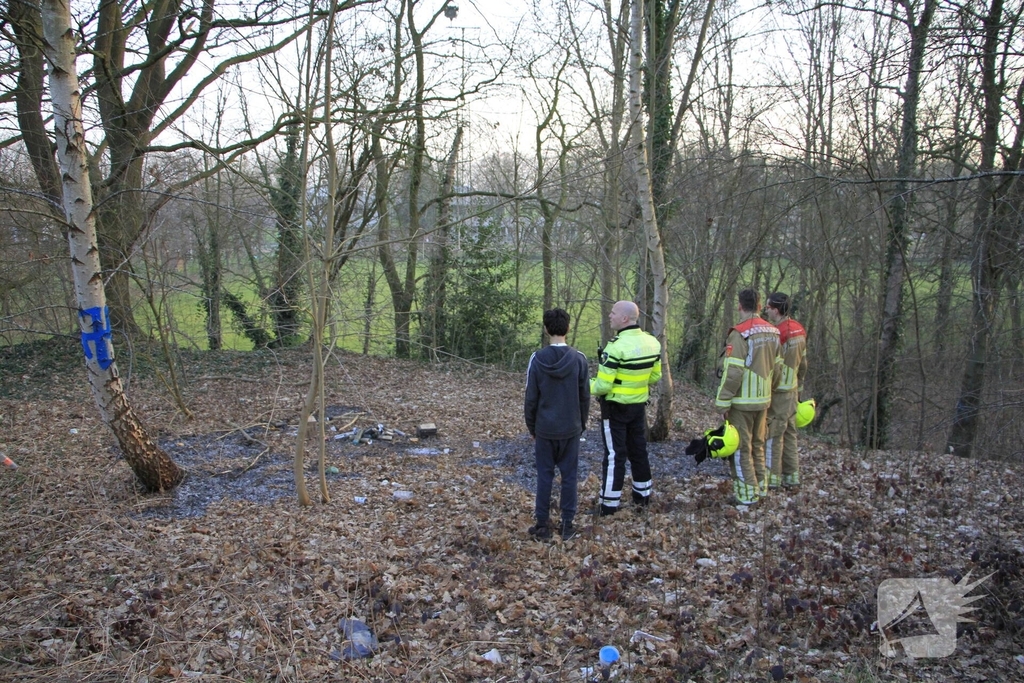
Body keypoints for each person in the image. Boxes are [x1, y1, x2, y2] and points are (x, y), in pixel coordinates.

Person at [524, 308, 590, 541]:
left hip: (545, 429)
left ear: (546, 329)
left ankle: (542, 524)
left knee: (544, 475)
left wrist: (532, 427)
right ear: (568, 328)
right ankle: (567, 524)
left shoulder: (537, 359)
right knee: (569, 476)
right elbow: (585, 396)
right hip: (570, 428)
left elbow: (531, 397)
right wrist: (581, 424)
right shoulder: (579, 359)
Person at [591, 301, 662, 516]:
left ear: (624, 318)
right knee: (638, 450)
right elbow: (655, 376)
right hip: (638, 407)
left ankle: (608, 505)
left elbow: (602, 386)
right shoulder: (652, 343)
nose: (609, 316)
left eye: (613, 313)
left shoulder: (615, 347)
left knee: (615, 455)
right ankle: (643, 496)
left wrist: (585, 384)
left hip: (615, 409)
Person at [715, 289, 780, 505]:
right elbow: (778, 369)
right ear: (760, 307)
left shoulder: (740, 333)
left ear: (740, 306)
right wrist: (770, 391)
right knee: (758, 446)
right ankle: (761, 489)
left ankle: (746, 496)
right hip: (763, 400)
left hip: (742, 401)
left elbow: (733, 372)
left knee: (741, 449)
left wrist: (723, 402)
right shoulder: (773, 331)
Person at [764, 292, 808, 489]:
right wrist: (800, 387)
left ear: (776, 310)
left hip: (779, 392)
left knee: (773, 434)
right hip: (792, 390)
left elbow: (774, 366)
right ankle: (792, 476)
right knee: (790, 434)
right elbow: (803, 364)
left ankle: (772, 478)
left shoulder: (778, 334)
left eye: (768, 308)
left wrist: (769, 389)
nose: (766, 311)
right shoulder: (799, 329)